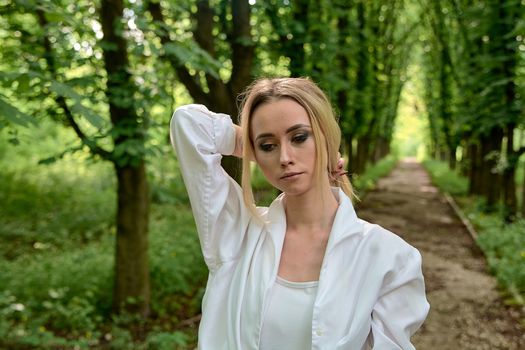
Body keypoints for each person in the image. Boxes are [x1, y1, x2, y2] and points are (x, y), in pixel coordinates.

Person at [170, 77, 429, 350]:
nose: (284, 158)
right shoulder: (237, 233)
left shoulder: (390, 257)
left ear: (325, 137)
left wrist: (292, 144)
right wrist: (249, 141)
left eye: (299, 137)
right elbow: (188, 123)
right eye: (268, 146)